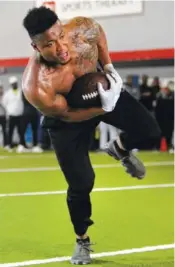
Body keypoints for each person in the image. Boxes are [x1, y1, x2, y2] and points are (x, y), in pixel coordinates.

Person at [22, 7, 161, 265]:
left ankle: (119, 148)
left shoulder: (80, 29)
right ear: (36, 46)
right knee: (82, 183)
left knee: (149, 131)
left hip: (97, 87)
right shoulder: (38, 86)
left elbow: (98, 34)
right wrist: (104, 108)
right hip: (68, 118)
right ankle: (82, 240)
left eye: (60, 35)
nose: (61, 47)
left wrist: (108, 66)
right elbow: (67, 114)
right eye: (49, 44)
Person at [0, 82, 8, 148]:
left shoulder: (5, 96)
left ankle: (6, 144)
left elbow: (6, 106)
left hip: (3, 116)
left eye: (1, 88)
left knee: (4, 130)